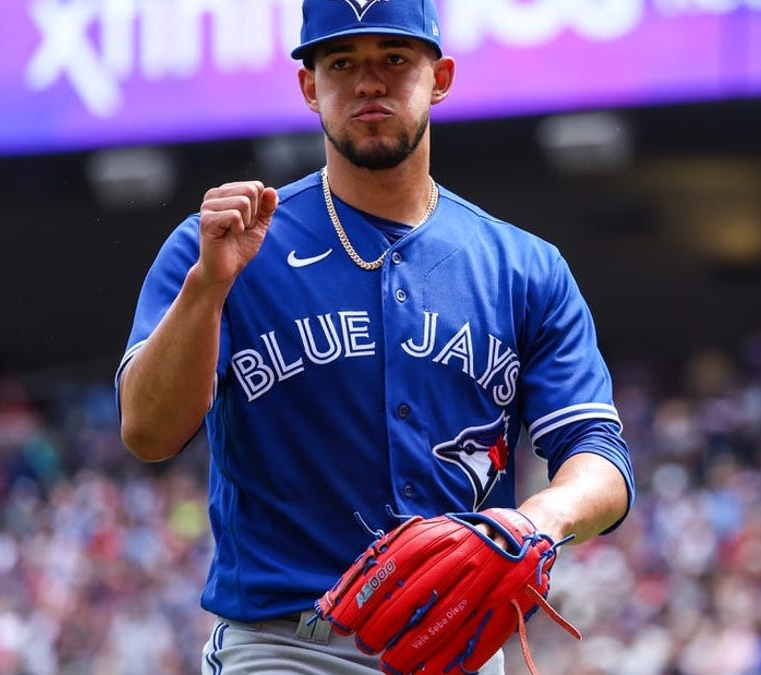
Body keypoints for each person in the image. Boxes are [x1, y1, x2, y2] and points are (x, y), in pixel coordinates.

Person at [115, 0, 635, 672]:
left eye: (394, 58)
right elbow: (148, 432)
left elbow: (598, 453)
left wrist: (540, 518)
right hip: (287, 647)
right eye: (341, 63)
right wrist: (207, 287)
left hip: (460, 646)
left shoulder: (523, 267)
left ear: (440, 77)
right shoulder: (221, 246)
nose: (368, 83)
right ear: (309, 87)